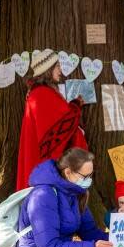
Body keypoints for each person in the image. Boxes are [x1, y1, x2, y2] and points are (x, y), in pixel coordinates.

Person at [16, 49, 87, 190]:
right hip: (44, 163)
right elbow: (63, 122)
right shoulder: (43, 94)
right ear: (48, 69)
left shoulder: (39, 92)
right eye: (57, 67)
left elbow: (59, 117)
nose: (60, 70)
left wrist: (72, 106)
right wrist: (76, 106)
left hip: (37, 160)